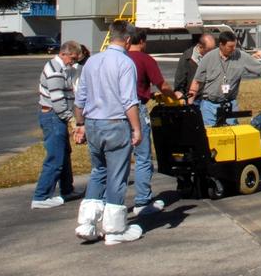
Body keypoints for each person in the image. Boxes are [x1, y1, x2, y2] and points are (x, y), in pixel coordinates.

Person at [71, 21, 144, 245]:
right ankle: (114, 230)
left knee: (98, 171)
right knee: (117, 175)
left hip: (92, 122)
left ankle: (87, 222)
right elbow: (128, 100)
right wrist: (137, 128)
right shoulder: (125, 63)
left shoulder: (92, 61)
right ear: (128, 40)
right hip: (115, 123)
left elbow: (80, 98)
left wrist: (80, 123)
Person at [187, 30, 261, 127]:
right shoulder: (208, 58)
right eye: (230, 46)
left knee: (231, 135)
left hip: (229, 104)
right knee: (210, 137)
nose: (234, 49)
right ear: (221, 45)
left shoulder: (241, 56)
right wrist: (190, 105)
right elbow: (196, 82)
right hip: (209, 106)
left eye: (235, 46)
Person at [124, 28, 174, 217]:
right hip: (137, 108)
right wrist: (173, 94)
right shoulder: (145, 59)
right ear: (143, 41)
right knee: (143, 156)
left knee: (120, 158)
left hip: (116, 111)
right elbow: (162, 84)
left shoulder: (122, 58)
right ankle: (143, 200)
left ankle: (111, 201)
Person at [31, 39, 84, 209]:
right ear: (64, 54)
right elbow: (58, 100)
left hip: (57, 116)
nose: (74, 62)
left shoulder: (64, 68)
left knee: (64, 153)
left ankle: (67, 189)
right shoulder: (54, 70)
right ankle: (41, 196)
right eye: (73, 58)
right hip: (53, 116)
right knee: (55, 157)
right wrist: (72, 120)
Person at [173, 33, 216, 99]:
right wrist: (180, 92)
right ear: (200, 46)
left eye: (213, 49)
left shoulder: (216, 55)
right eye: (209, 50)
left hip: (211, 98)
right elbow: (180, 79)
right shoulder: (187, 57)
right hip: (194, 98)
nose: (212, 53)